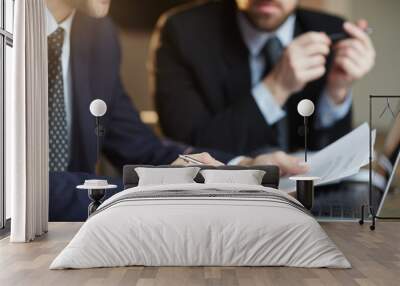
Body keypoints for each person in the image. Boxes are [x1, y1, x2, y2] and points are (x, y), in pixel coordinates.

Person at [46, 0, 308, 221]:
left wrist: (239, 168)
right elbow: (16, 191)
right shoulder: (7, 35)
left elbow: (140, 147)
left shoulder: (98, 34)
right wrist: (154, 188)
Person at [150, 0, 375, 155]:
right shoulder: (182, 32)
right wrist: (276, 87)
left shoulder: (330, 29)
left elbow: (332, 161)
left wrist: (336, 92)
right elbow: (188, 150)